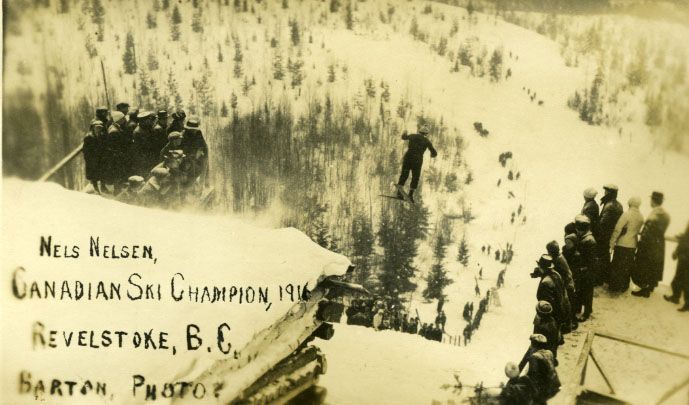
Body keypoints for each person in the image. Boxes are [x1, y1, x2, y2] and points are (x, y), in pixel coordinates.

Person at [633, 192, 671, 297]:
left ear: (653, 201)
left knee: (645, 265)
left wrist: (640, 244)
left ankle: (644, 290)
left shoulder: (653, 215)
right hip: (659, 244)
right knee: (654, 266)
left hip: (649, 245)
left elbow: (646, 233)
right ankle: (650, 287)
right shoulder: (666, 215)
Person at [608, 197, 644, 292]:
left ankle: (615, 287)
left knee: (617, 266)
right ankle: (624, 286)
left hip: (622, 243)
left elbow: (617, 229)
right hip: (632, 244)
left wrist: (612, 243)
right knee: (627, 266)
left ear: (629, 203)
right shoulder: (641, 217)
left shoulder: (626, 214)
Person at [396, 124, 437, 203]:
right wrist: (432, 155)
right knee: (415, 177)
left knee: (404, 174)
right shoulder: (427, 141)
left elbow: (403, 137)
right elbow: (434, 153)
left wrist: (404, 133)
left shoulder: (412, 136)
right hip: (417, 160)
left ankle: (399, 193)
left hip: (408, 157)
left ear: (419, 131)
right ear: (426, 134)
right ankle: (410, 195)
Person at [518, 334, 561, 404]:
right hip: (554, 384)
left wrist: (521, 379)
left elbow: (533, 376)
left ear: (534, 345)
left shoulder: (534, 357)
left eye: (532, 343)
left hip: (544, 389)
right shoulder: (549, 353)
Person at [572, 215, 598, 322]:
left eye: (578, 229)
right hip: (583, 270)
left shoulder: (589, 241)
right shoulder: (585, 238)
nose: (577, 231)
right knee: (580, 290)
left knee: (587, 292)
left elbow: (591, 260)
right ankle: (578, 308)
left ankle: (586, 313)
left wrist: (583, 269)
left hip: (587, 271)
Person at [598, 184, 624, 285]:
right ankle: (605, 276)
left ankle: (600, 278)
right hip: (612, 235)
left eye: (606, 191)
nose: (604, 193)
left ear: (609, 193)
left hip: (604, 235)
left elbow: (603, 223)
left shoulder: (609, 205)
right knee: (606, 256)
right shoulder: (619, 205)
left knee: (602, 256)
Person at [546, 241, 573, 333]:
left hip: (566, 285)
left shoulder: (558, 260)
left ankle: (567, 325)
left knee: (564, 305)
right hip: (565, 284)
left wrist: (562, 287)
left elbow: (566, 275)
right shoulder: (557, 257)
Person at [531, 255, 565, 329]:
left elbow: (547, 306)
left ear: (541, 268)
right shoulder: (556, 274)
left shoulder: (545, 283)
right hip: (560, 312)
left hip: (550, 316)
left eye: (539, 266)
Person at [664, 221, 689, 312]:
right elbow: (685, 237)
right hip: (683, 257)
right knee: (679, 279)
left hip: (685, 258)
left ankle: (686, 303)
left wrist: (677, 252)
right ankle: (676, 297)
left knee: (685, 281)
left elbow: (685, 239)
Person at [83, 106, 108, 194]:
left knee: (102, 171)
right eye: (97, 127)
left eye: (100, 128)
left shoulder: (101, 135)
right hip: (92, 158)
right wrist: (89, 159)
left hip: (99, 156)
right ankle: (95, 188)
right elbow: (86, 150)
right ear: (93, 127)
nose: (99, 129)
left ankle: (103, 186)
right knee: (93, 173)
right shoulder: (89, 137)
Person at [103, 111, 130, 193]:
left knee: (118, 173)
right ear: (119, 120)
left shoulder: (114, 127)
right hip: (116, 157)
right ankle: (117, 191)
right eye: (123, 119)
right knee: (118, 173)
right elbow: (114, 147)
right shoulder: (114, 131)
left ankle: (118, 189)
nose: (125, 120)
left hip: (116, 156)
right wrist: (121, 154)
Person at [180, 116, 209, 185]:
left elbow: (204, 146)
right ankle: (188, 184)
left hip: (197, 155)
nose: (194, 131)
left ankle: (204, 183)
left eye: (194, 129)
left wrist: (202, 153)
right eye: (192, 129)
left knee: (204, 164)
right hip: (186, 156)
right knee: (190, 169)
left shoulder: (198, 133)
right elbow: (181, 148)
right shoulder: (183, 135)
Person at [132, 111, 157, 176]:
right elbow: (143, 146)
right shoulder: (138, 132)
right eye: (148, 120)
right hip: (143, 157)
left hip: (149, 155)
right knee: (143, 173)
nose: (150, 121)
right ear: (143, 121)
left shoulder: (148, 128)